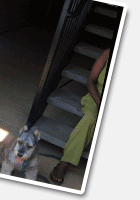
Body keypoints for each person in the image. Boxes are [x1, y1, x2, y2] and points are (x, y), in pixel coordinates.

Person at [50, 48, 110, 184]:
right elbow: (90, 81)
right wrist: (100, 103)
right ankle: (64, 163)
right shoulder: (108, 53)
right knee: (90, 119)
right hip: (97, 97)